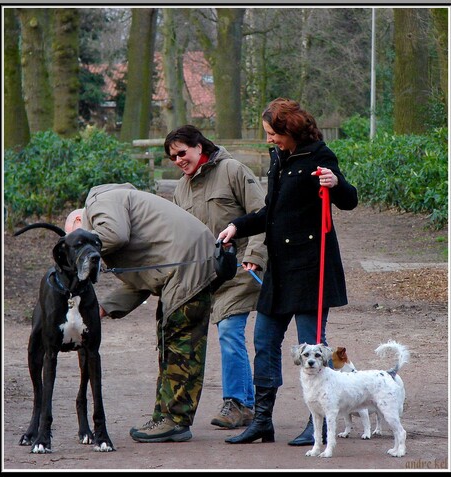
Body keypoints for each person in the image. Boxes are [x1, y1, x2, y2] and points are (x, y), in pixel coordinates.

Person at [217, 98, 358, 446]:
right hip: (280, 269)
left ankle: (320, 424)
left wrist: (334, 182)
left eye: (272, 133)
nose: (269, 140)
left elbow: (349, 198)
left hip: (312, 267)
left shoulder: (319, 155)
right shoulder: (278, 159)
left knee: (314, 350)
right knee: (264, 341)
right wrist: (238, 226)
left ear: (289, 130)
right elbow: (271, 211)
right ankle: (263, 420)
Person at [64, 182, 218, 443]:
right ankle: (164, 416)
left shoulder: (99, 200)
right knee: (169, 338)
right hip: (184, 266)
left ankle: (175, 420)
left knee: (180, 342)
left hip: (189, 266)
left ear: (80, 219)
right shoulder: (118, 208)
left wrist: (87, 252)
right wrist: (101, 309)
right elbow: (141, 281)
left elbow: (115, 236)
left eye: (76, 242)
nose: (82, 253)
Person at [164, 125, 267, 429]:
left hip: (241, 269)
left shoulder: (233, 170)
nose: (178, 160)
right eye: (172, 157)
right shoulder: (180, 189)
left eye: (182, 152)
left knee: (229, 330)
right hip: (205, 277)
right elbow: (179, 239)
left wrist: (255, 256)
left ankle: (236, 403)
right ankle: (247, 405)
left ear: (199, 146)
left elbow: (262, 214)